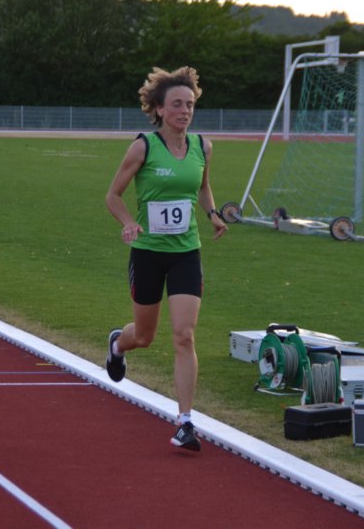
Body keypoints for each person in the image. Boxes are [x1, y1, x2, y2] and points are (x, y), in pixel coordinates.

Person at [104, 66, 228, 452]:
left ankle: (185, 422)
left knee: (184, 335)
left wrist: (212, 214)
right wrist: (129, 223)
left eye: (189, 104)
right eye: (176, 104)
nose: (184, 111)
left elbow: (203, 186)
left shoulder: (203, 146)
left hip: (186, 253)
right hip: (148, 253)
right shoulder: (143, 147)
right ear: (159, 108)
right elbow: (113, 196)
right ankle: (118, 345)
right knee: (144, 336)